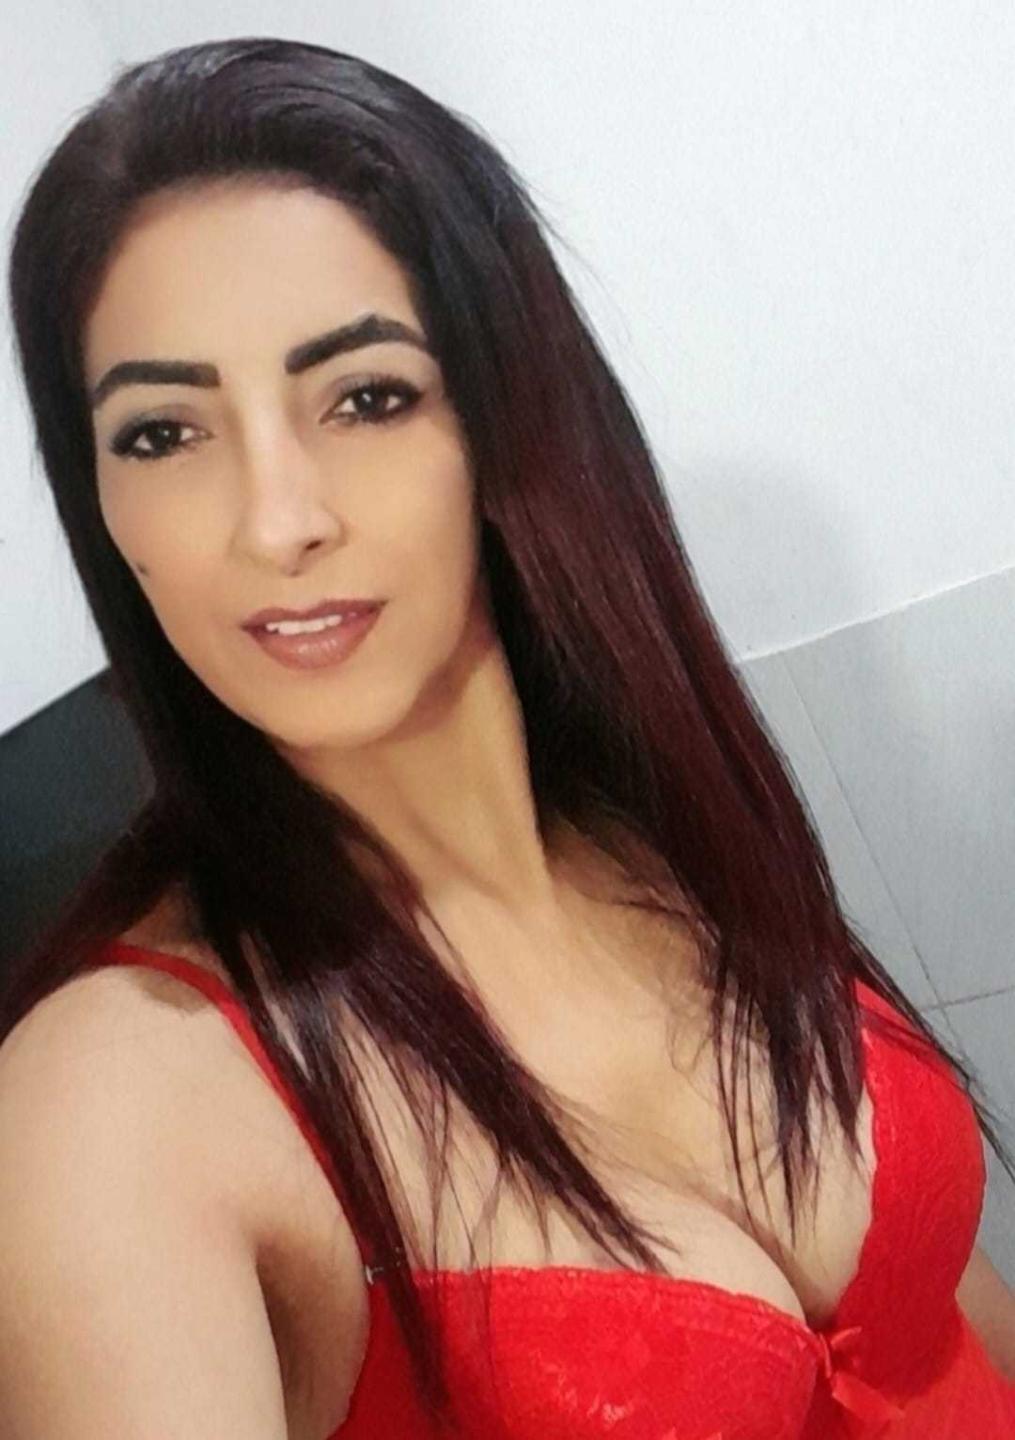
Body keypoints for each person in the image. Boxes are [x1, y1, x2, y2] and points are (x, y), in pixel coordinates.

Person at [1, 36, 1013, 1440]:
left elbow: (947, 1319)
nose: (276, 522)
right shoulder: (109, 1111)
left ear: (508, 424)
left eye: (366, 397)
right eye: (163, 433)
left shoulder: (661, 826)